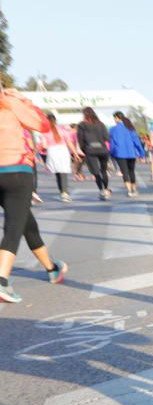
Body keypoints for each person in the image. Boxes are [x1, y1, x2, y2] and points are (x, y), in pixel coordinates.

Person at [0, 84, 68, 303]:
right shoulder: (11, 102)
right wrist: (23, 100)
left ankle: (51, 268)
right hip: (16, 171)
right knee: (14, 227)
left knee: (26, 224)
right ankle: (1, 280)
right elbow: (43, 124)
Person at [43, 113, 80, 201]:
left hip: (52, 151)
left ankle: (61, 191)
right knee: (63, 172)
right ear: (55, 120)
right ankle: (64, 192)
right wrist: (75, 153)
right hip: (63, 150)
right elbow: (69, 143)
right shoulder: (63, 130)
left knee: (57, 172)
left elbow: (44, 146)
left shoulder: (45, 131)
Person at [77, 106, 111, 199]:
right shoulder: (101, 124)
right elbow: (107, 138)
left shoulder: (81, 125)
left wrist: (84, 149)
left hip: (90, 150)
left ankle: (101, 190)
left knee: (96, 172)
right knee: (104, 171)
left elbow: (80, 140)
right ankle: (106, 189)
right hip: (103, 150)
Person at [109, 111, 145, 197]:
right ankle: (134, 189)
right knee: (131, 171)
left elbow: (112, 143)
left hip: (120, 153)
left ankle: (129, 191)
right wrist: (141, 153)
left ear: (117, 118)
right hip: (131, 153)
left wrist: (111, 154)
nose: (114, 120)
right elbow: (136, 141)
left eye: (115, 118)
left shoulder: (112, 129)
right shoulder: (130, 127)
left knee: (125, 172)